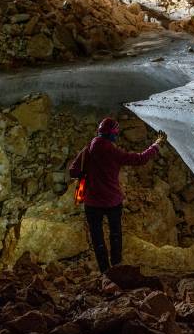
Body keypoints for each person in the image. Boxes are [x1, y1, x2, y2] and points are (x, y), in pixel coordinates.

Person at [69, 117, 165, 273]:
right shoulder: (113, 151)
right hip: (113, 202)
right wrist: (156, 144)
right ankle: (117, 267)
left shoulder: (87, 150)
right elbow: (140, 159)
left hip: (92, 203)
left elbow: (72, 171)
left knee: (97, 237)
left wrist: (88, 172)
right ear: (112, 134)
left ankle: (104, 271)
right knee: (115, 234)